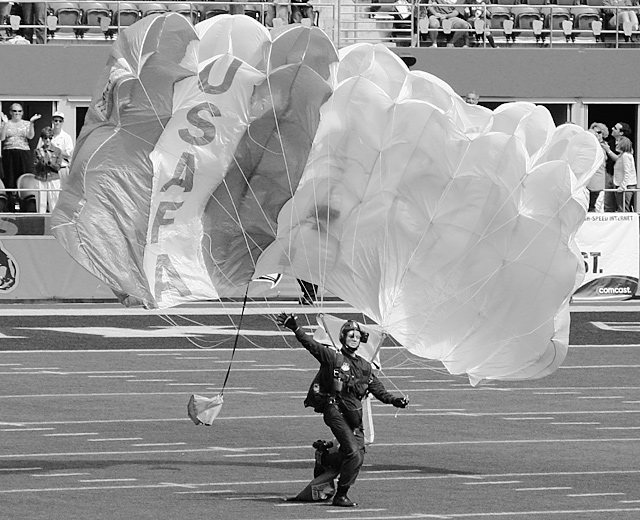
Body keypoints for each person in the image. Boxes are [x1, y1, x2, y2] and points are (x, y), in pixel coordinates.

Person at [276, 313, 409, 507]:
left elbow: (378, 390)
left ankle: (325, 457)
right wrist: (296, 328)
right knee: (353, 453)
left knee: (358, 455)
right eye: (350, 335)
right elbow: (312, 346)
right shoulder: (333, 358)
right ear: (343, 338)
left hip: (354, 416)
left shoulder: (365, 366)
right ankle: (341, 495)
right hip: (335, 411)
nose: (354, 338)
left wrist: (396, 401)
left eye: (357, 335)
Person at [0, 104, 41, 212]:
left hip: (23, 153)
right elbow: (2, 138)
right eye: (14, 111)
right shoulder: (6, 123)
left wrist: (32, 123)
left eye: (19, 111)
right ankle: (10, 206)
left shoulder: (26, 123)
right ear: (10, 112)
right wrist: (4, 124)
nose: (16, 113)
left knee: (24, 178)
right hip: (9, 153)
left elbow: (30, 136)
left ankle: (25, 206)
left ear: (22, 112)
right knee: (10, 179)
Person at [602, 121, 633, 212]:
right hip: (610, 175)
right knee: (608, 204)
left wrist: (608, 150)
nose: (612, 129)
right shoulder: (610, 142)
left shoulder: (627, 146)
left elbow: (619, 159)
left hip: (621, 181)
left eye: (615, 128)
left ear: (621, 133)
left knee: (622, 207)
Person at [37, 111, 73, 184]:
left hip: (62, 169)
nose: (57, 123)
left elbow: (69, 154)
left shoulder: (66, 137)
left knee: (62, 191)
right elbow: (39, 150)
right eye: (56, 120)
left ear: (63, 122)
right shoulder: (46, 135)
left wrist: (54, 152)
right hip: (46, 169)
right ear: (52, 121)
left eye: (60, 121)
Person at [33, 126, 63, 213]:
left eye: (50, 138)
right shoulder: (37, 151)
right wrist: (42, 160)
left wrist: (50, 162)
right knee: (40, 205)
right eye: (45, 138)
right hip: (41, 178)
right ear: (42, 139)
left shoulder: (57, 151)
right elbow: (36, 168)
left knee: (53, 204)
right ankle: (40, 224)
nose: (47, 140)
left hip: (53, 178)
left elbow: (58, 167)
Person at [587, 122, 608, 212]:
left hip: (599, 179)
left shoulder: (605, 146)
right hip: (589, 180)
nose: (597, 135)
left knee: (597, 205)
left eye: (599, 132)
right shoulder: (589, 146)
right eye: (595, 133)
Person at [611, 136, 636, 212]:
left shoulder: (625, 156)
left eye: (618, 142)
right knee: (622, 207)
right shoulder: (622, 155)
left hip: (626, 186)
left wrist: (623, 186)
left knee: (623, 209)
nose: (616, 143)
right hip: (622, 185)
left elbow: (627, 172)